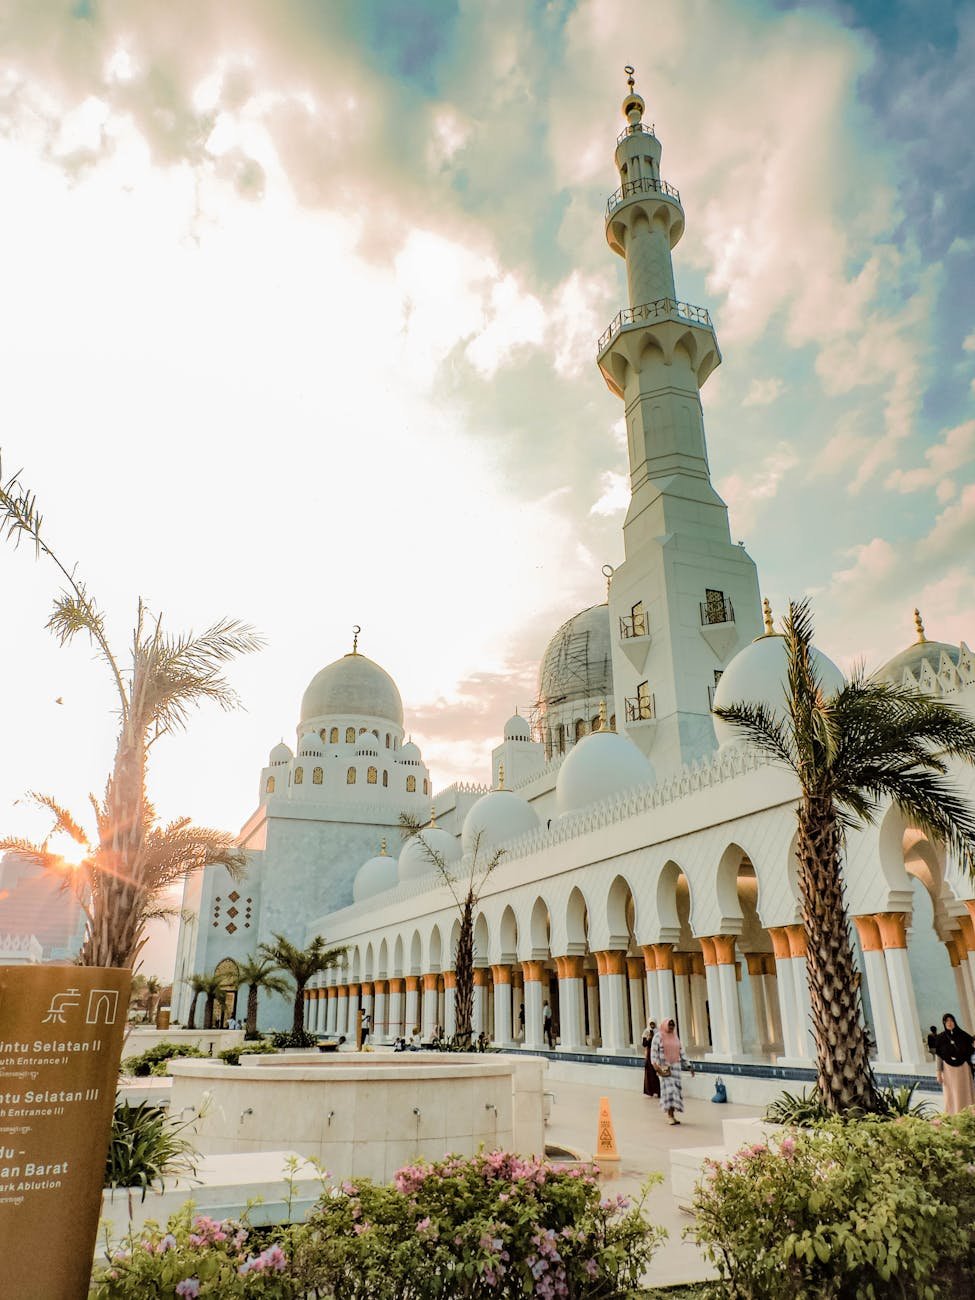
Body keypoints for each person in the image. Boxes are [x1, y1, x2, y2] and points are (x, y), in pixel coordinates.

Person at [650, 1018, 693, 1125]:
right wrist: (656, 1065)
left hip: (676, 1069)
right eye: (669, 1025)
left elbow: (681, 1051)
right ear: (665, 1025)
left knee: (676, 1092)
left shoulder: (675, 1037)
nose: (671, 1027)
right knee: (670, 1091)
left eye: (673, 1025)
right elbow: (654, 1052)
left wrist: (688, 1065)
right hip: (665, 1070)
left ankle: (672, 1114)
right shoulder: (658, 1036)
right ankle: (670, 1115)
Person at [933, 1012, 975, 1114]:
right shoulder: (940, 1038)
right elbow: (939, 1056)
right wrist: (938, 1072)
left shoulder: (963, 1035)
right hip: (949, 1071)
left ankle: (969, 1114)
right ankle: (953, 1114)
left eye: (951, 1020)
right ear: (944, 1023)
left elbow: (972, 1046)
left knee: (965, 1092)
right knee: (952, 1094)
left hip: (963, 1069)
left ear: (954, 1022)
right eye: (946, 1021)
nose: (949, 1023)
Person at [641, 1017, 660, 1099]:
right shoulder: (646, 1032)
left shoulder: (658, 1032)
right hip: (649, 1054)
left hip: (656, 1053)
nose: (652, 1025)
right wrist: (649, 1038)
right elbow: (644, 1044)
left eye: (653, 1023)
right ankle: (651, 1091)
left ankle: (659, 1091)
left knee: (658, 1072)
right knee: (650, 1072)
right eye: (651, 1024)